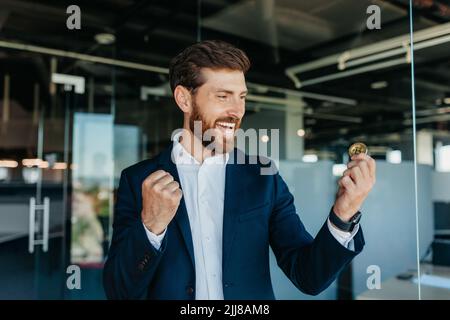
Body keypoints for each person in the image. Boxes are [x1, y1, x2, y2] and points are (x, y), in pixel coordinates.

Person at [103, 40, 376, 300]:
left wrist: (343, 214)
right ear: (184, 99)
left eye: (241, 97)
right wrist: (151, 228)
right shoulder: (138, 180)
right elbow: (119, 290)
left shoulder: (263, 177)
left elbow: (309, 277)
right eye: (223, 96)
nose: (237, 111)